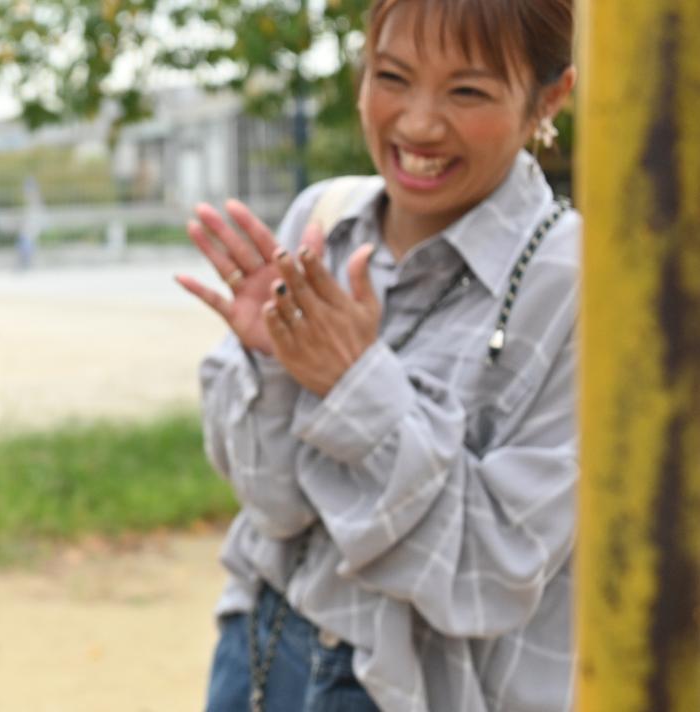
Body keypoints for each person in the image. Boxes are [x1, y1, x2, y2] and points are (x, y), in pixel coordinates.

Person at [175, 1, 579, 709]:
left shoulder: (576, 284)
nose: (419, 124)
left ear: (549, 98)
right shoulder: (322, 222)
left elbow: (493, 570)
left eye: (468, 91)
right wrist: (274, 368)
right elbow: (272, 508)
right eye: (392, 76)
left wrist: (355, 388)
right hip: (261, 656)